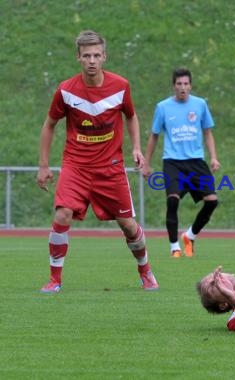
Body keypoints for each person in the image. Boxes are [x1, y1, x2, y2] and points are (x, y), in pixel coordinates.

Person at [36, 30, 158, 293]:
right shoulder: (66, 91)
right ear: (78, 57)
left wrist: (136, 148)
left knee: (127, 225)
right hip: (76, 166)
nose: (92, 60)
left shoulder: (120, 86)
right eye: (86, 55)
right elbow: (49, 125)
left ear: (104, 57)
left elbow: (131, 116)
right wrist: (44, 165)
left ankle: (145, 271)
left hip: (110, 168)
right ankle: (54, 279)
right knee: (62, 214)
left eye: (96, 55)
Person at [143, 68, 220, 258]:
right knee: (172, 200)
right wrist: (147, 163)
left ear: (190, 85)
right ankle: (174, 247)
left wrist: (213, 157)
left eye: (186, 84)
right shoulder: (163, 107)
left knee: (212, 201)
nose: (183, 87)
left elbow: (208, 133)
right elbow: (154, 136)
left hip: (196, 162)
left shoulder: (200, 104)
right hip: (173, 162)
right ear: (174, 86)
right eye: (179, 84)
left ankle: (190, 236)